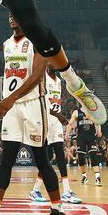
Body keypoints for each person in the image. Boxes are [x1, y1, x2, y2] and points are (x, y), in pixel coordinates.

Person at [0, 15, 70, 215]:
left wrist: (10, 98)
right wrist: (9, 99)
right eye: (9, 14)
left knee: (41, 160)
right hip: (13, 108)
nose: (11, 17)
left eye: (16, 13)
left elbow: (37, 76)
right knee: (6, 159)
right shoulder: (6, 44)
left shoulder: (38, 40)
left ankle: (58, 213)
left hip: (35, 104)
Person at [30, 67, 82, 204]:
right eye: (51, 62)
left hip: (56, 122)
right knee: (46, 159)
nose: (54, 64)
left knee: (60, 155)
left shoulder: (59, 81)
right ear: (47, 64)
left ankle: (66, 191)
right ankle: (35, 190)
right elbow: (44, 103)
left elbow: (56, 101)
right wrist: (59, 115)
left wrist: (59, 116)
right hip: (45, 120)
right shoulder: (43, 78)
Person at [67, 106, 103, 186]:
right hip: (81, 137)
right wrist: (67, 133)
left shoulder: (93, 111)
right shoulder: (76, 112)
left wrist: (99, 130)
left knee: (93, 155)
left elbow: (97, 122)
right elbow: (70, 124)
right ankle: (84, 176)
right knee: (80, 156)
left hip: (91, 136)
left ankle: (97, 177)